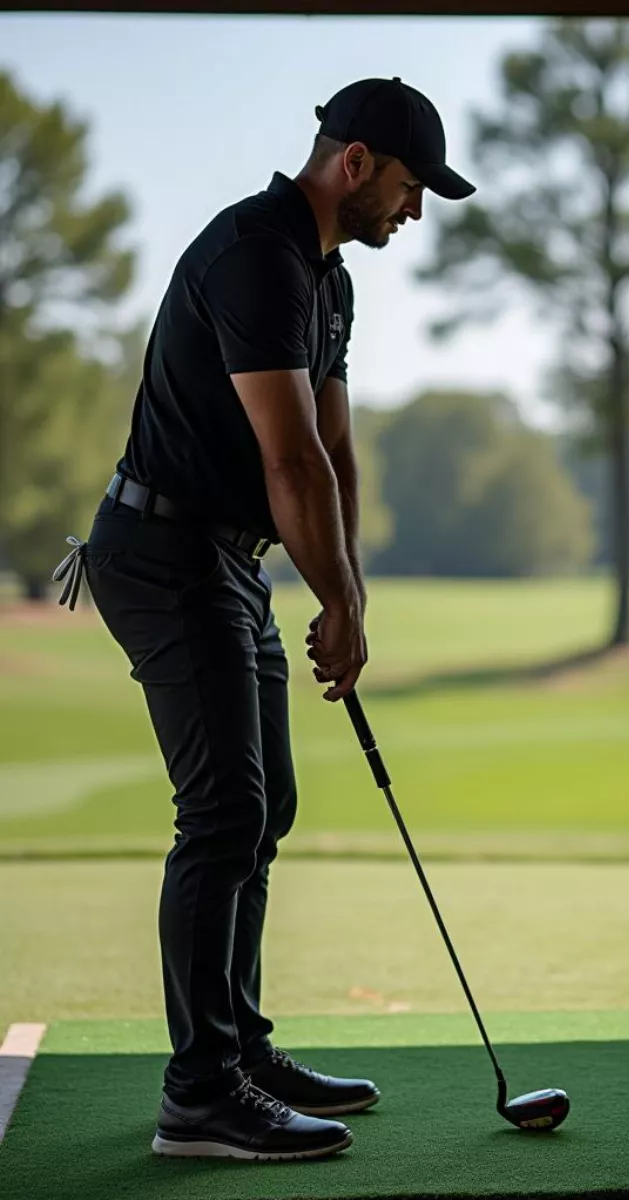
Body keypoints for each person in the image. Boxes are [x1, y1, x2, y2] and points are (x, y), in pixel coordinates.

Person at [58, 78, 474, 1162]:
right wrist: (333, 598)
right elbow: (285, 453)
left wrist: (354, 595)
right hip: (159, 551)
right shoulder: (255, 253)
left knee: (265, 804)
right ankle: (199, 1094)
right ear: (356, 161)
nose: (414, 211)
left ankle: (238, 1049)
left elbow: (333, 455)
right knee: (224, 813)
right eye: (410, 185)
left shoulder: (327, 280)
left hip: (226, 559)